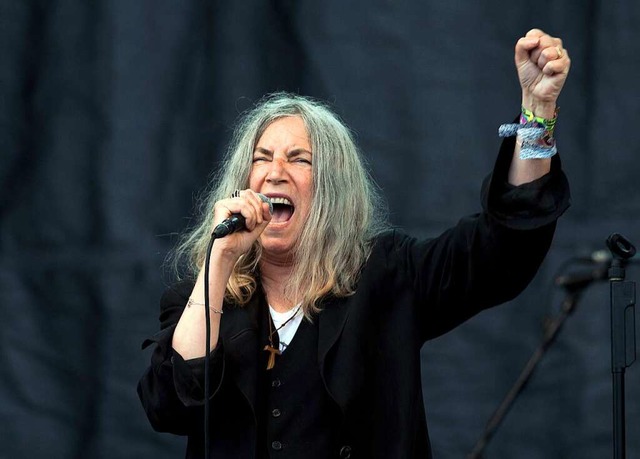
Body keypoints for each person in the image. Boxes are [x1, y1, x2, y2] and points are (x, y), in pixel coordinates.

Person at [138, 28, 571, 458]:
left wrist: (536, 113)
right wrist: (220, 262)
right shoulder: (204, 299)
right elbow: (170, 404)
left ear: (332, 189)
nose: (274, 172)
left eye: (299, 159)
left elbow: (503, 247)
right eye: (262, 158)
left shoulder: (389, 277)